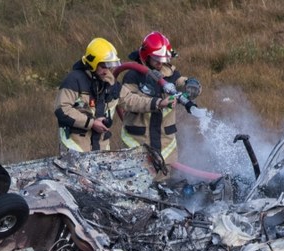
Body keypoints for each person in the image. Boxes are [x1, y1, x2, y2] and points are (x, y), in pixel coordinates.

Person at [55, 37, 172, 153]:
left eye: (109, 66)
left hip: (101, 146)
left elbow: (130, 99)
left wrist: (159, 103)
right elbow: (62, 110)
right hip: (76, 148)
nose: (107, 71)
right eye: (103, 66)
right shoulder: (74, 80)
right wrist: (91, 123)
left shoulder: (109, 81)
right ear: (92, 64)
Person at [119, 31, 202, 169]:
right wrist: (157, 103)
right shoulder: (133, 75)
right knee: (136, 184)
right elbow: (127, 101)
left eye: (163, 59)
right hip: (138, 142)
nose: (160, 63)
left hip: (165, 144)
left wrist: (192, 85)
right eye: (156, 59)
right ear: (147, 56)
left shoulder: (170, 74)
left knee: (166, 185)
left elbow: (181, 82)